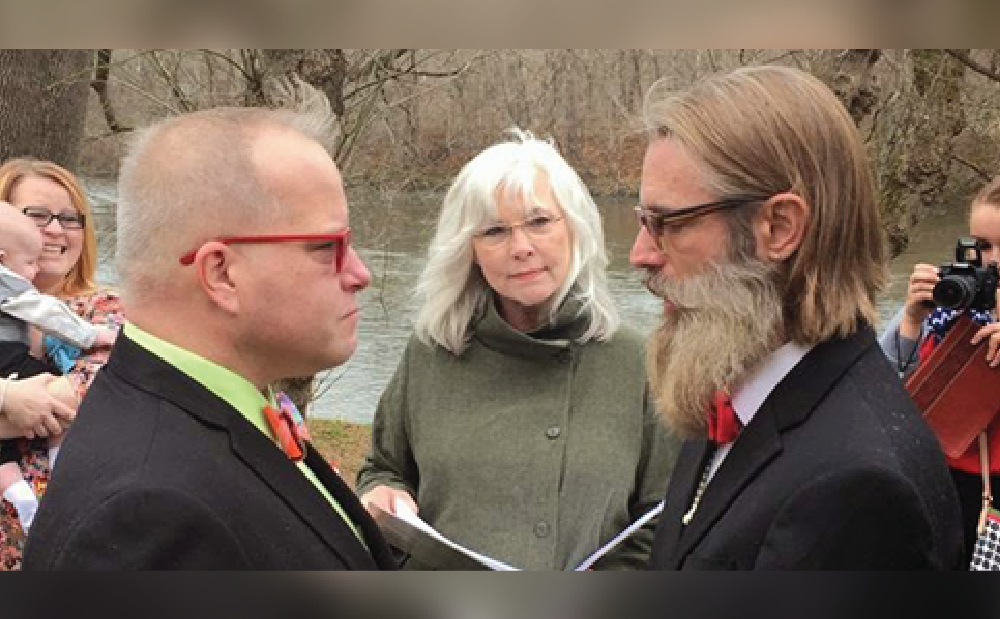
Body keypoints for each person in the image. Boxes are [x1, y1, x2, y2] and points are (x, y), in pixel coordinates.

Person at [23, 85, 395, 570]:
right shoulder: (145, 516)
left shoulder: (212, 415)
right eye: (328, 247)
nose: (360, 275)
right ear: (220, 273)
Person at [631, 65, 964, 570]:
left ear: (779, 228)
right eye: (642, 222)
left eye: (668, 224)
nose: (639, 254)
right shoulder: (732, 380)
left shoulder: (857, 490)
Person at [355, 129, 679, 570]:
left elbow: (660, 522)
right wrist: (381, 493)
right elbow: (383, 468)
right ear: (469, 252)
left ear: (575, 228)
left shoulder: (637, 363)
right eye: (494, 231)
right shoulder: (430, 354)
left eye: (540, 222)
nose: (522, 248)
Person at [0, 157, 118, 570]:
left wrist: (19, 404)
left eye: (70, 218)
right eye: (36, 215)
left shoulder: (106, 313)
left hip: (67, 546)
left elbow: (78, 403)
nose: (54, 229)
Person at [880, 175, 1000, 563]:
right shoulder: (949, 303)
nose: (992, 260)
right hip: (934, 477)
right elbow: (886, 393)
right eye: (981, 246)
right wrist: (913, 319)